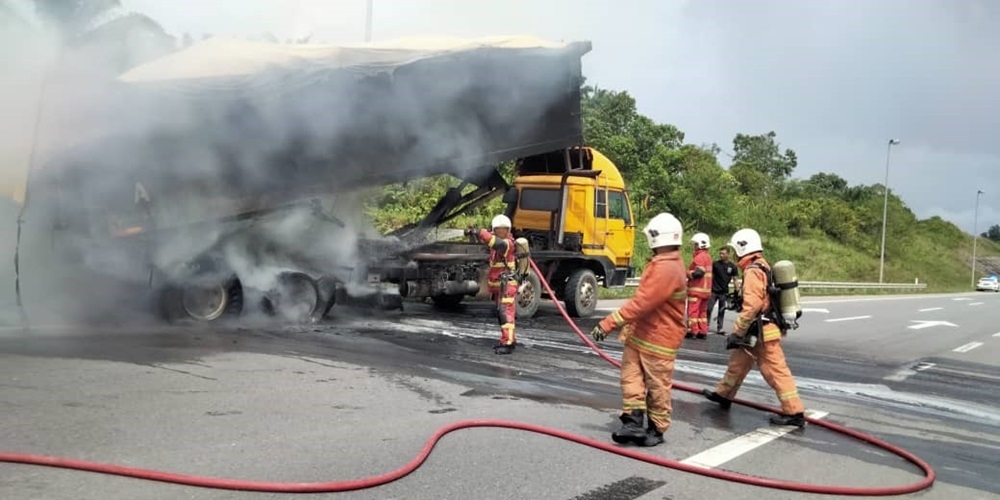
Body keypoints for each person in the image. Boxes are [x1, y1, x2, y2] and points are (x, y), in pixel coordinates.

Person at [590, 212, 688, 447]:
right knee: (631, 378)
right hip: (641, 336)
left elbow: (643, 303)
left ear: (656, 238)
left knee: (657, 385)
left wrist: (609, 322)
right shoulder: (664, 264)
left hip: (659, 338)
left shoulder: (667, 268)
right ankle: (633, 422)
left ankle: (656, 429)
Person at [702, 228, 807, 427]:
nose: (733, 254)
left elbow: (752, 306)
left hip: (763, 331)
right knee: (738, 364)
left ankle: (794, 412)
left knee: (775, 371)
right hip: (757, 329)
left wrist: (736, 332)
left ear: (743, 247)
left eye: (735, 250)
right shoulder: (762, 266)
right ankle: (724, 395)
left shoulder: (752, 271)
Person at [466, 214, 519, 355]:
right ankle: (509, 339)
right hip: (501, 286)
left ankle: (508, 343)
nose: (500, 232)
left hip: (507, 286)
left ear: (508, 231)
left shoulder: (507, 244)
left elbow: (493, 241)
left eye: (503, 230)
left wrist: (480, 232)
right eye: (497, 230)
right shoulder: (496, 243)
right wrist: (473, 233)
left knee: (505, 314)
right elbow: (489, 240)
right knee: (502, 313)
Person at [685, 232, 713, 340]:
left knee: (693, 311)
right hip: (706, 291)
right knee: (702, 313)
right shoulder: (708, 257)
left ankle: (693, 331)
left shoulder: (699, 257)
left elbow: (699, 273)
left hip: (696, 290)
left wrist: (687, 273)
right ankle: (702, 331)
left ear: (700, 245)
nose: (694, 246)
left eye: (695, 244)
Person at [708, 247, 739, 335]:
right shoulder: (715, 264)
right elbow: (709, 275)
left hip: (724, 292)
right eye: (720, 253)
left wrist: (737, 291)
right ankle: (706, 325)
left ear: (727, 254)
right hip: (714, 291)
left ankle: (720, 328)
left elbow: (735, 279)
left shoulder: (732, 267)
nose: (721, 255)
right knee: (708, 309)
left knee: (721, 311)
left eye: (723, 253)